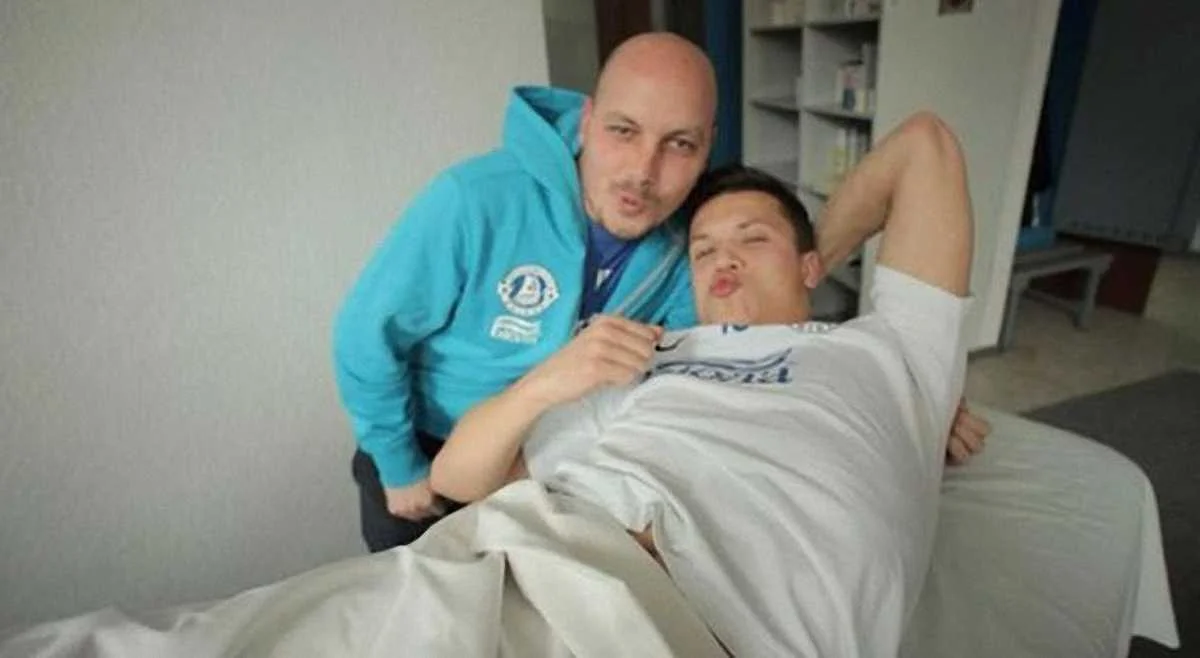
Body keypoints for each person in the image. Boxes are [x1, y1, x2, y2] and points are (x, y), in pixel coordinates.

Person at [431, 112, 980, 656]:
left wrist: (799, 276)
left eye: (753, 240)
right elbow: (456, 478)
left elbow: (924, 145)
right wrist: (547, 382)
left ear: (811, 265)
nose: (725, 260)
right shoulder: (648, 354)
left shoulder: (886, 351)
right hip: (530, 571)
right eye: (704, 251)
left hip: (704, 630)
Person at [333, 33, 718, 551]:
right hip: (424, 451)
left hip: (553, 465)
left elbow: (679, 374)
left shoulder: (688, 243)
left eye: (680, 144)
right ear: (587, 120)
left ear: (708, 147)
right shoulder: (475, 200)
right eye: (623, 130)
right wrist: (397, 461)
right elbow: (366, 334)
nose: (642, 172)